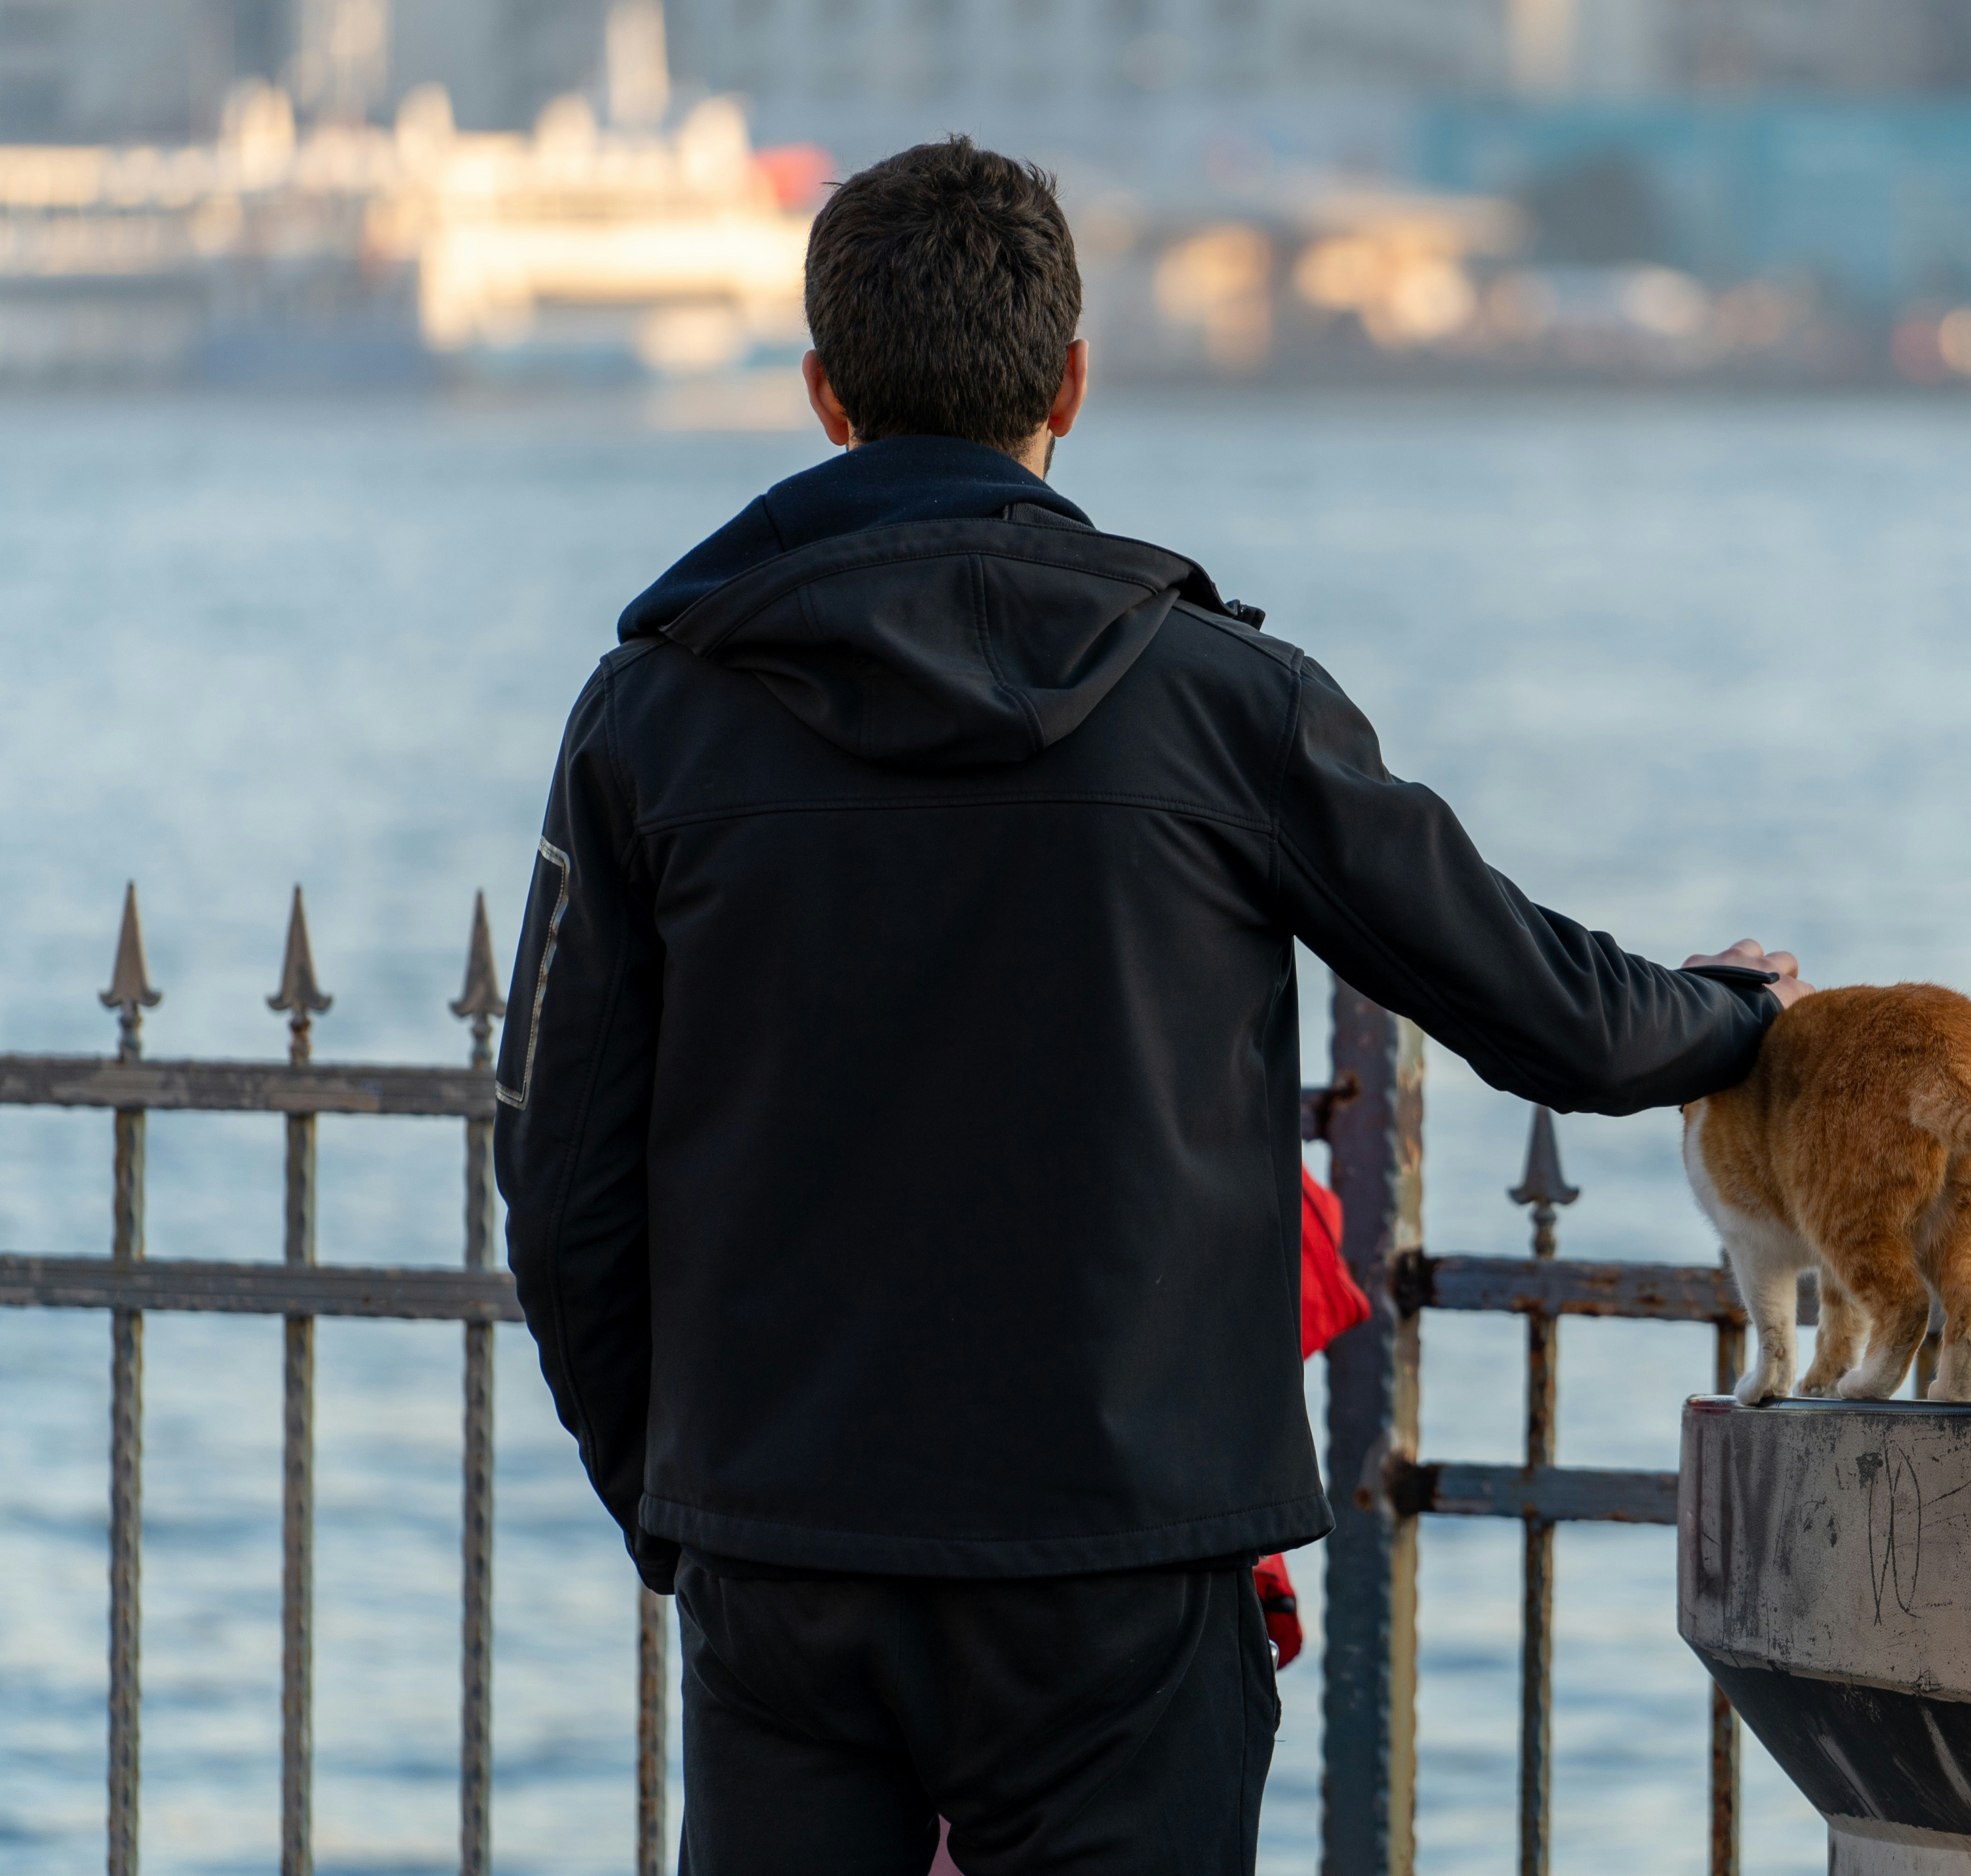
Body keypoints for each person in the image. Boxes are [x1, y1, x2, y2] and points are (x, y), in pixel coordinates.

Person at [493, 135, 1812, 1876]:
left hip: (786, 1548)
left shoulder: (652, 718)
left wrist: (677, 1505)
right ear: (1072, 384)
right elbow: (1526, 1001)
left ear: (824, 394)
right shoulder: (1221, 706)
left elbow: (561, 1178)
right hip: (1124, 1558)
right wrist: (1727, 1020)